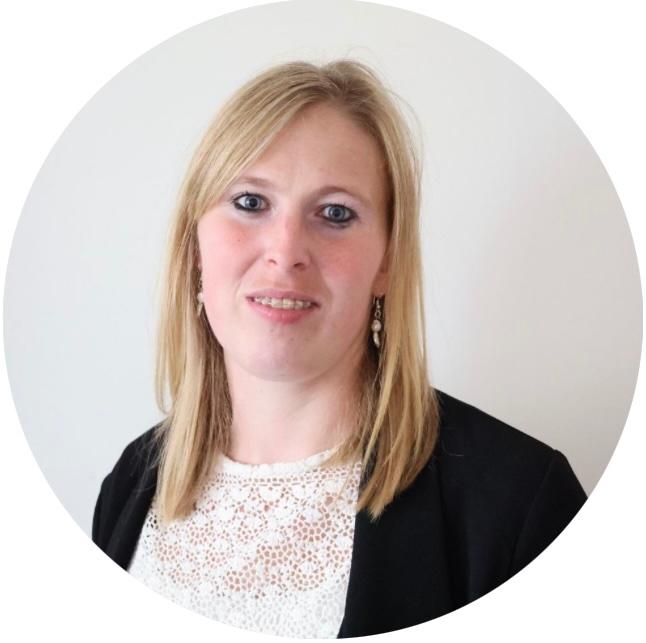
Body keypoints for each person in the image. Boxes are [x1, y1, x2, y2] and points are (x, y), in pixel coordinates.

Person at [92, 59, 586, 638]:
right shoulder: (129, 485)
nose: (285, 252)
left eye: (335, 213)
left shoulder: (521, 503)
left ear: (387, 261)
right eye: (250, 202)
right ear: (194, 245)